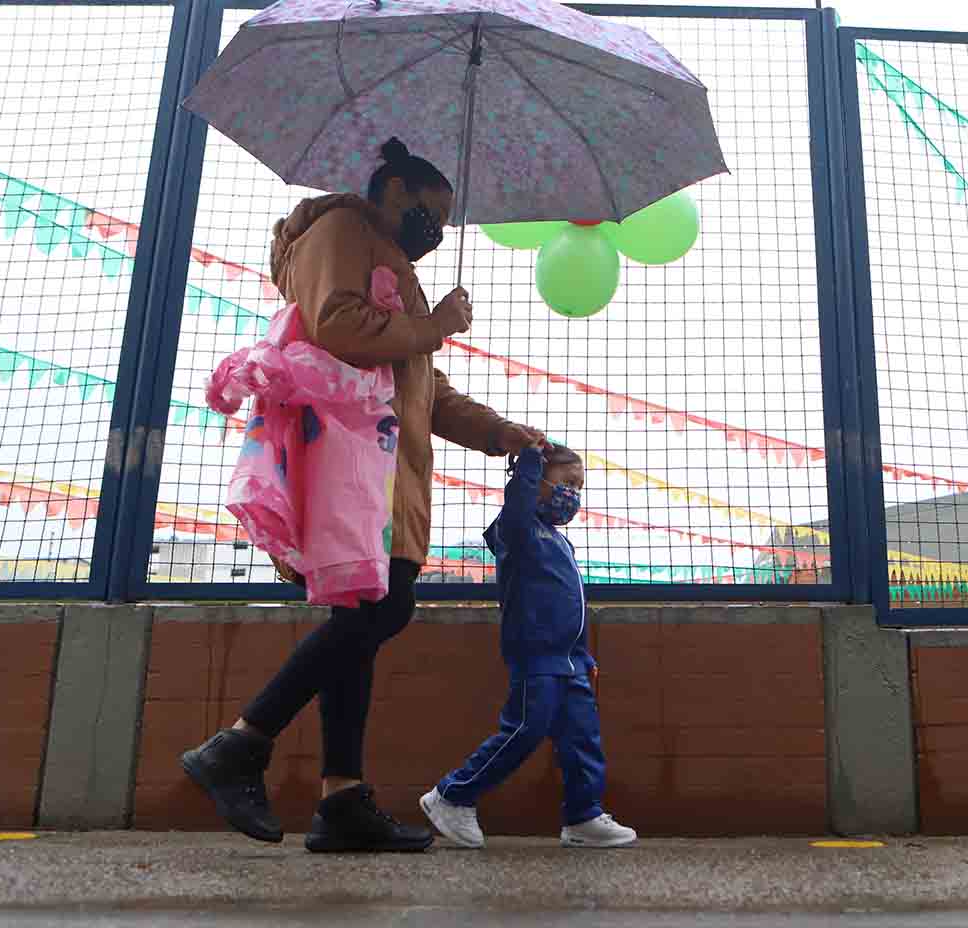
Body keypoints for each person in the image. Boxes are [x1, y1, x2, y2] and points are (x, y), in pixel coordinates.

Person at [181, 138, 545, 853]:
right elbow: (338, 324)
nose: (436, 229)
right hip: (353, 469)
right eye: (430, 210)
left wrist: (497, 431)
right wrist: (435, 324)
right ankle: (240, 743)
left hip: (389, 475)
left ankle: (341, 799)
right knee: (384, 607)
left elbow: (422, 386)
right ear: (393, 189)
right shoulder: (342, 230)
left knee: (362, 626)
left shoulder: (395, 265)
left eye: (446, 220)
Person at [420, 444, 636, 849]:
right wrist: (531, 459)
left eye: (579, 487)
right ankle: (452, 796)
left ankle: (583, 816)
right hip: (536, 656)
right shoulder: (517, 531)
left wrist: (583, 656)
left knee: (582, 738)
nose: (573, 494)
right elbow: (518, 504)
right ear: (536, 483)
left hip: (570, 662)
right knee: (524, 729)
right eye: (567, 482)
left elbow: (572, 607)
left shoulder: (561, 543)